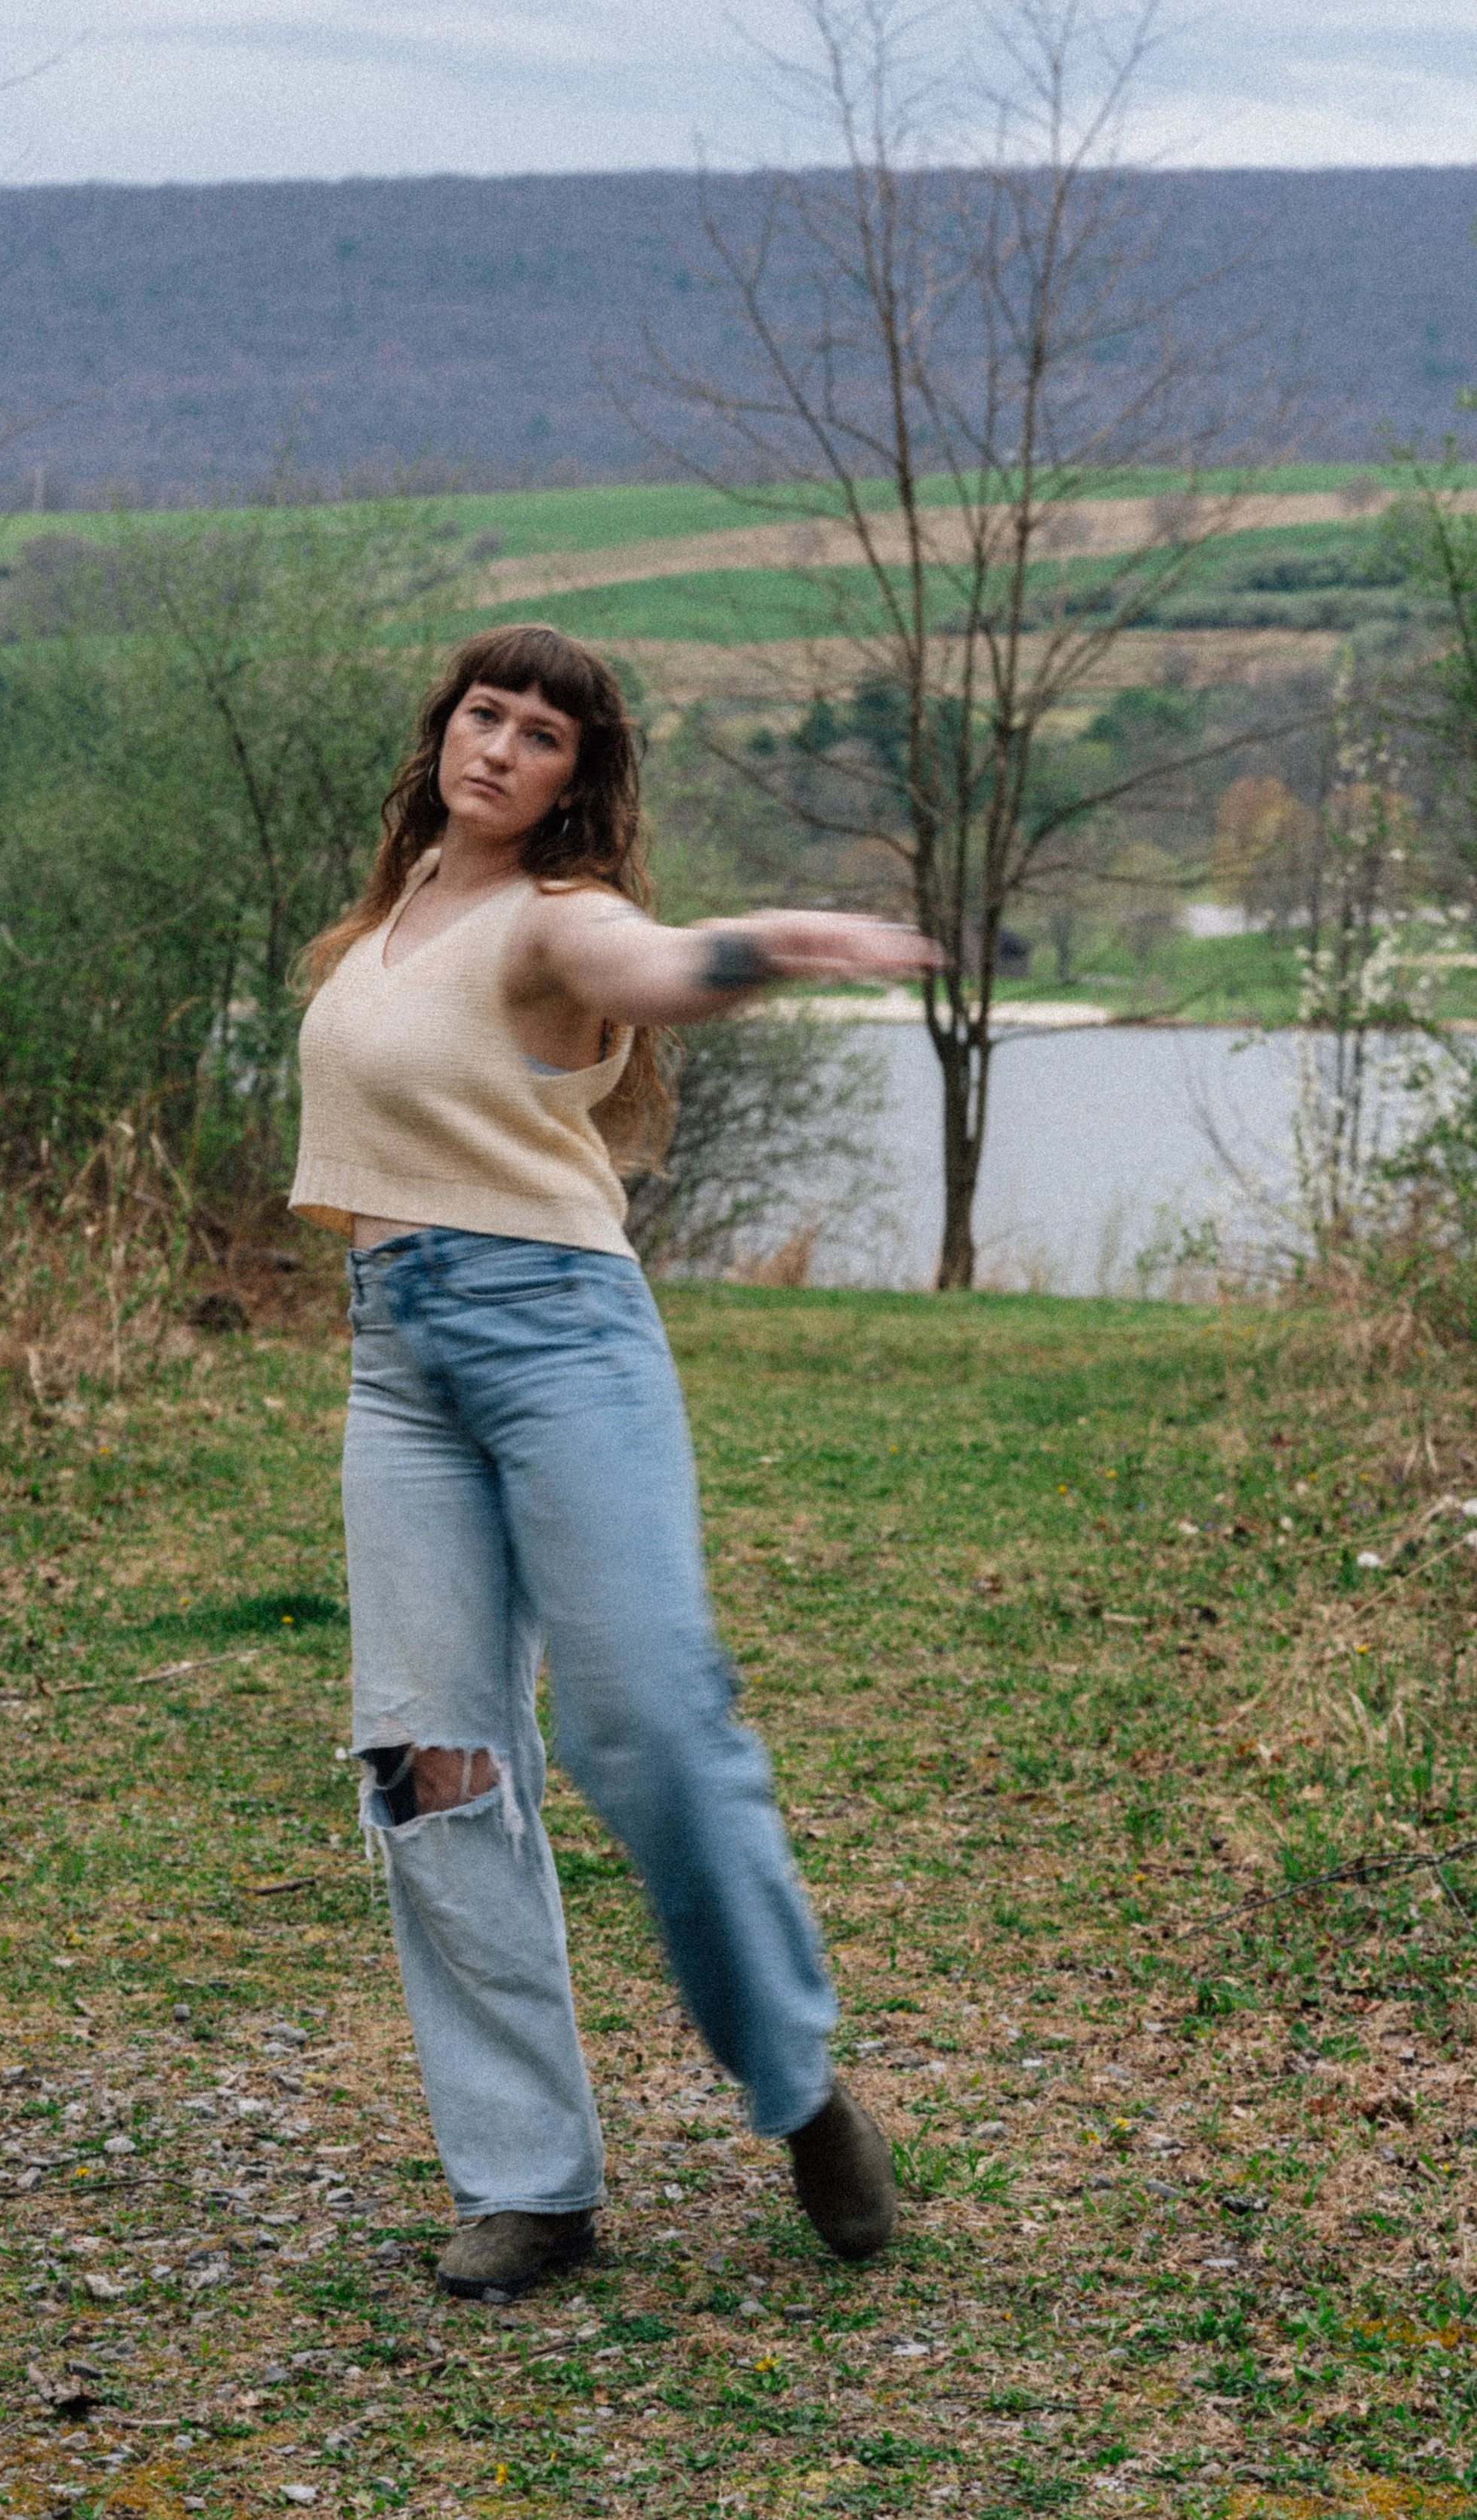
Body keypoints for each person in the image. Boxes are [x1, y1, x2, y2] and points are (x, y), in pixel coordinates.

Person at [290, 623, 937, 2303]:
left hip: (558, 1336)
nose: (500, 748)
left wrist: (771, 945)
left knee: (644, 1724)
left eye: (544, 736)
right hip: (399, 1362)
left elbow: (652, 970)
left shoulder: (554, 919)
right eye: (482, 715)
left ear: (582, 779)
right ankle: (529, 2183)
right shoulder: (379, 929)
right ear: (440, 729)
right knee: (431, 1763)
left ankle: (796, 2088)